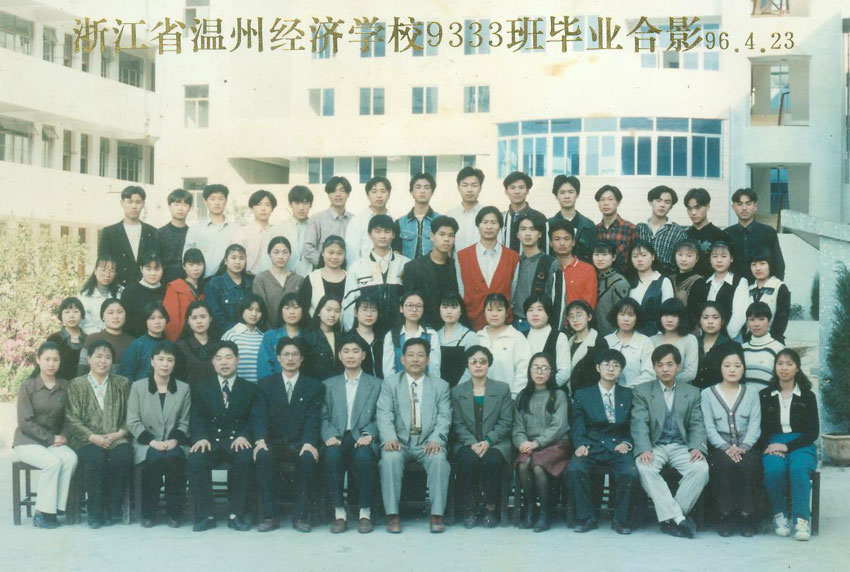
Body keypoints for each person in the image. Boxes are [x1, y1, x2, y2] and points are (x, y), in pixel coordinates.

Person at [631, 345, 709, 539]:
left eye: (670, 364)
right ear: (654, 367)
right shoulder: (642, 390)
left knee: (701, 469)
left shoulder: (692, 392)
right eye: (660, 365)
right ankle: (679, 519)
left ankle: (670, 519)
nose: (665, 369)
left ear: (678, 366)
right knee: (644, 467)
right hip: (655, 445)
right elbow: (639, 423)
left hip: (681, 445)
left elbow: (697, 423)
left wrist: (696, 447)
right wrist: (644, 448)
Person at [377, 338, 452, 534]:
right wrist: (390, 438)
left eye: (420, 355)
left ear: (427, 359)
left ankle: (436, 515)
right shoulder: (391, 383)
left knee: (439, 460)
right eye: (410, 355)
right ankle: (392, 515)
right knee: (389, 459)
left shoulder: (440, 385)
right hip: (399, 442)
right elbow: (384, 414)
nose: (415, 359)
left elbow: (444, 417)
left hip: (427, 442)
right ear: (402, 359)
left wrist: (436, 439)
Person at [253, 337, 324, 533]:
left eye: (295, 354)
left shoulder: (313, 386)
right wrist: (260, 440)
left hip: (300, 442)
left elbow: (313, 417)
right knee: (262, 455)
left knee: (308, 457)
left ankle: (301, 516)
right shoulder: (265, 385)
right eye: (286, 354)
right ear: (278, 358)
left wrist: (309, 442)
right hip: (273, 442)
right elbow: (260, 415)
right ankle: (270, 516)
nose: (290, 359)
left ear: (302, 358)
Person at [567, 349, 639, 535]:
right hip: (592, 444)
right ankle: (586, 518)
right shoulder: (583, 395)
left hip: (618, 445)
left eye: (616, 365)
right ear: (598, 368)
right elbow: (577, 425)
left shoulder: (629, 394)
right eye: (606, 364)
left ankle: (621, 520)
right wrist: (580, 445)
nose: (611, 369)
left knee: (630, 472)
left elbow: (634, 425)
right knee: (575, 469)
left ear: (621, 370)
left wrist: (627, 443)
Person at [187, 341, 256, 532]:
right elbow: (196, 417)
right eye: (218, 358)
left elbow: (255, 418)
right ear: (213, 362)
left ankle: (237, 515)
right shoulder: (202, 387)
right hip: (211, 441)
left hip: (237, 441)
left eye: (228, 357)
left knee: (245, 457)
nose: (224, 362)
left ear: (237, 360)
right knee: (196, 458)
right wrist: (201, 437)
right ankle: (205, 515)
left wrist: (245, 435)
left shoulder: (250, 388)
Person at [64, 340, 132, 528]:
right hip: (86, 439)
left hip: (115, 438)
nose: (103, 361)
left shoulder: (122, 383)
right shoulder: (76, 384)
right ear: (89, 359)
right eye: (99, 356)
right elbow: (71, 418)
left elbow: (131, 414)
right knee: (95, 459)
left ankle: (111, 508)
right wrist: (92, 437)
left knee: (123, 456)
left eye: (108, 357)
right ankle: (95, 512)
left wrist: (119, 434)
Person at [321, 334, 382, 534]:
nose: (350, 356)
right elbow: (323, 416)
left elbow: (381, 416)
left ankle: (365, 513)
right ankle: (339, 513)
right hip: (337, 436)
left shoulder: (376, 384)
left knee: (365, 457)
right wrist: (329, 435)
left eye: (355, 351)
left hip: (362, 436)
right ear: (339, 355)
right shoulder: (328, 385)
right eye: (346, 351)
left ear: (363, 355)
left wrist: (370, 434)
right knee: (331, 456)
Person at [12, 342, 78, 528]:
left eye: (55, 359)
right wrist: (50, 439)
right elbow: (25, 422)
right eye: (47, 359)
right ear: (38, 360)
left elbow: (70, 417)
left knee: (71, 458)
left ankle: (55, 508)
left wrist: (64, 436)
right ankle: (41, 513)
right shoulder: (28, 386)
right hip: (27, 441)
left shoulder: (65, 386)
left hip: (53, 441)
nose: (51, 364)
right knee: (52, 462)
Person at [126, 341, 191, 528]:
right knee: (154, 458)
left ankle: (174, 512)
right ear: (152, 361)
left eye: (170, 360)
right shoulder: (138, 387)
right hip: (145, 443)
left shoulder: (183, 389)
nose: (165, 364)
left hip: (174, 442)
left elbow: (184, 421)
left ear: (175, 363)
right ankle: (148, 513)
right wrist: (152, 442)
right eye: (160, 359)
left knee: (175, 457)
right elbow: (132, 421)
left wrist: (174, 440)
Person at [700, 345, 762, 537]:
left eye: (737, 365)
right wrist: (727, 447)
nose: (732, 370)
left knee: (748, 465)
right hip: (720, 447)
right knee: (724, 466)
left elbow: (755, 424)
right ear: (720, 368)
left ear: (743, 369)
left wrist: (743, 447)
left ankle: (746, 516)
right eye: (727, 365)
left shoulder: (751, 393)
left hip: (746, 447)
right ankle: (724, 516)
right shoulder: (707, 394)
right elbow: (708, 428)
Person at [758, 348, 819, 541]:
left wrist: (786, 447)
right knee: (774, 469)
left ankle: (801, 519)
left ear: (797, 368)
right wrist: (769, 446)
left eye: (789, 364)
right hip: (773, 442)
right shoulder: (765, 395)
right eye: (780, 364)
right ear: (775, 367)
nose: (784, 368)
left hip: (801, 443)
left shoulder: (807, 396)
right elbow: (760, 428)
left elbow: (812, 432)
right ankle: (780, 515)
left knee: (798, 469)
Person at [451, 345, 513, 528]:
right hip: (466, 443)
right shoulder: (457, 391)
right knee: (468, 461)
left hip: (495, 442)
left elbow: (506, 421)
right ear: (467, 365)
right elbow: (457, 424)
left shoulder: (502, 389)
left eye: (482, 361)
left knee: (491, 461)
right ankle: (469, 509)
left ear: (489, 364)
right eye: (473, 362)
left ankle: (490, 508)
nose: (478, 365)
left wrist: (488, 441)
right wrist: (472, 443)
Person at [513, 353, 570, 532]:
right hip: (530, 444)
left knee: (538, 466)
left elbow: (559, 426)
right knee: (523, 464)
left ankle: (544, 513)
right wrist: (522, 442)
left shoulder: (558, 395)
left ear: (551, 372)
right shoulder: (523, 396)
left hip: (556, 444)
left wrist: (536, 443)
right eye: (536, 367)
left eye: (545, 368)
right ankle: (531, 508)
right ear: (529, 370)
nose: (540, 372)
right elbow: (518, 427)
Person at [456, 207, 520, 330]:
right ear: (478, 226)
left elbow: (513, 292)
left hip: (503, 326)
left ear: (500, 227)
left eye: (494, 222)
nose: (489, 227)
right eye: (485, 222)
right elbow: (461, 290)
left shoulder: (512, 257)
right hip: (471, 325)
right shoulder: (462, 256)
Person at [342, 214, 408, 332]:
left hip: (397, 331)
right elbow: (350, 303)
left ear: (393, 235)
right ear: (369, 234)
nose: (382, 236)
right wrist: (350, 332)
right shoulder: (357, 267)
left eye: (387, 231)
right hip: (367, 332)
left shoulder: (405, 264)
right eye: (377, 231)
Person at [402, 215, 461, 330]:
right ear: (432, 236)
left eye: (451, 235)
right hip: (424, 329)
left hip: (451, 328)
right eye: (442, 234)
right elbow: (409, 304)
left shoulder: (457, 266)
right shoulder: (413, 267)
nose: (446, 239)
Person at [472, 293, 531, 398]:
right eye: (490, 310)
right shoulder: (477, 337)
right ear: (484, 313)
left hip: (507, 398)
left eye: (499, 310)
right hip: (479, 397)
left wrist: (514, 395)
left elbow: (523, 370)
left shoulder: (516, 337)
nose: (494, 314)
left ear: (506, 313)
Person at [98, 185, 158, 288]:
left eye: (138, 202)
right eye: (130, 202)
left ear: (143, 204)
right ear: (122, 203)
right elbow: (103, 263)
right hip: (118, 288)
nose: (134, 206)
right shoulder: (110, 232)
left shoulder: (152, 232)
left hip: (145, 288)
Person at [689, 241, 749, 341]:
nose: (719, 260)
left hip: (731, 338)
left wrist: (724, 337)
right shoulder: (706, 282)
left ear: (731, 258)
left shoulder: (739, 282)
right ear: (710, 259)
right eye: (715, 256)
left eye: (724, 256)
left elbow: (740, 315)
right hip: (707, 338)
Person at [509, 211, 557, 333]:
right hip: (516, 321)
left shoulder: (550, 263)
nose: (528, 233)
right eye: (523, 229)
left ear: (539, 234)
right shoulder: (515, 261)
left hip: (540, 323)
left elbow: (555, 298)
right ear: (518, 234)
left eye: (532, 229)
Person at [726, 188, 785, 282]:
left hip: (762, 287)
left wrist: (772, 287)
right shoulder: (726, 234)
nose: (744, 208)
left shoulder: (768, 232)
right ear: (733, 207)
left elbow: (778, 265)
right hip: (734, 288)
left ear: (755, 206)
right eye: (740, 204)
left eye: (748, 204)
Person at [549, 218, 597, 329]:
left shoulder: (587, 270)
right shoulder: (548, 268)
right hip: (550, 327)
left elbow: (588, 305)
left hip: (577, 328)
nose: (562, 243)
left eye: (566, 239)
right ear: (551, 243)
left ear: (573, 242)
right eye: (557, 239)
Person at [383, 291, 442, 378]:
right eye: (410, 305)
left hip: (426, 384)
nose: (414, 310)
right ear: (401, 308)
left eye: (419, 306)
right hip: (398, 384)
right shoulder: (392, 335)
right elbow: (388, 371)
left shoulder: (431, 334)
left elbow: (434, 368)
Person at [183, 184, 236, 280]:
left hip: (230, 281)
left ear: (226, 201)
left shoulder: (236, 229)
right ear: (205, 201)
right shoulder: (195, 229)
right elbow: (186, 257)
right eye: (212, 199)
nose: (217, 203)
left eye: (221, 199)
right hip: (203, 281)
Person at [252, 237, 305, 330]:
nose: (280, 256)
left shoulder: (299, 280)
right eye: (276, 252)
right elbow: (259, 308)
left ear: (290, 254)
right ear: (269, 254)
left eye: (285, 252)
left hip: (294, 333)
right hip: (267, 332)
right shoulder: (261, 279)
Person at [636, 185, 688, 275]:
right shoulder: (639, 228)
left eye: (667, 202)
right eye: (658, 201)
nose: (662, 205)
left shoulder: (677, 231)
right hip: (639, 277)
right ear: (651, 202)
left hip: (667, 277)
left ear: (671, 206)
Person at [603, 298, 655, 388]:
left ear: (637, 318)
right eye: (622, 314)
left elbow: (650, 374)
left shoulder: (645, 342)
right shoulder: (606, 341)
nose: (626, 319)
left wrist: (627, 390)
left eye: (631, 315)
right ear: (616, 316)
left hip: (637, 393)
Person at [626, 240, 674, 337]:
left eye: (643, 255)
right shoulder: (628, 282)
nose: (639, 259)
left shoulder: (663, 282)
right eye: (635, 256)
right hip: (630, 334)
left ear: (653, 257)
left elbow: (669, 312)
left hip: (655, 335)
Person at [303, 176, 353, 267]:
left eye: (342, 190)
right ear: (328, 194)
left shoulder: (354, 220)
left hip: (350, 270)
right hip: (324, 271)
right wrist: (328, 265)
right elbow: (308, 249)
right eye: (333, 191)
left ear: (348, 194)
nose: (338, 194)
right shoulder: (316, 219)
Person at [204, 243, 254, 336]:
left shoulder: (251, 284)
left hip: (248, 335)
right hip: (223, 335)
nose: (238, 262)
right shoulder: (215, 283)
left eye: (241, 258)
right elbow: (215, 314)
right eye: (233, 258)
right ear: (225, 261)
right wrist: (235, 331)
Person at [524, 293, 571, 389]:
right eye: (530, 310)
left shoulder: (559, 337)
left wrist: (543, 389)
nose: (535, 314)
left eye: (540, 309)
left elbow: (564, 372)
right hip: (525, 391)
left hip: (551, 391)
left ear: (548, 313)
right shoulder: (521, 337)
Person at [694, 302, 742, 390]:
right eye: (705, 317)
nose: (710, 322)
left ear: (722, 321)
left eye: (715, 317)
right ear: (699, 320)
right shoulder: (693, 343)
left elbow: (739, 381)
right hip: (693, 396)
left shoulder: (732, 347)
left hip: (721, 396)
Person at [257, 293, 306, 379]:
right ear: (281, 311)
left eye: (296, 307)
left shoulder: (309, 336)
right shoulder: (270, 336)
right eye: (287, 308)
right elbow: (264, 368)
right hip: (274, 385)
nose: (292, 312)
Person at [345, 175, 392, 264]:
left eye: (383, 191)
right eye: (374, 191)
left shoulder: (394, 220)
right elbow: (352, 254)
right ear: (367, 195)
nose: (379, 195)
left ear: (389, 194)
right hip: (364, 270)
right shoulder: (357, 221)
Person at [548, 175, 597, 263]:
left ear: (577, 194)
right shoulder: (548, 225)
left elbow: (593, 257)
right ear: (556, 196)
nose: (567, 196)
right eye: (562, 192)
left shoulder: (589, 226)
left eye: (571, 192)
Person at [79, 299, 134, 374]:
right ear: (103, 317)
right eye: (110, 313)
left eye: (119, 312)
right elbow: (82, 369)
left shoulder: (133, 342)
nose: (115, 316)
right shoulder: (92, 339)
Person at [683, 188, 729, 277]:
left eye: (697, 207)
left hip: (713, 282)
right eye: (689, 208)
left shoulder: (720, 235)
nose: (693, 212)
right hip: (688, 282)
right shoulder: (684, 235)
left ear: (707, 206)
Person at [565, 300, 609, 394]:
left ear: (589, 317)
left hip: (589, 395)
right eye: (571, 316)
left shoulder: (599, 342)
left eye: (579, 315)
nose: (575, 320)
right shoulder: (567, 342)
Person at [651, 299, 698, 385]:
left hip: (682, 389)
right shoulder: (651, 340)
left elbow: (691, 373)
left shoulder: (690, 340)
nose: (669, 320)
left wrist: (668, 383)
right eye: (665, 315)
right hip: (653, 389)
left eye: (674, 316)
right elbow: (648, 370)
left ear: (681, 318)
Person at [163, 248, 206, 341]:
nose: (196, 269)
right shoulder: (175, 287)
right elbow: (171, 322)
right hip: (181, 340)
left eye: (199, 264)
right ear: (184, 266)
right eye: (191, 264)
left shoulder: (206, 288)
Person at [748, 249, 791, 343]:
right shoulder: (749, 288)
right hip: (750, 341)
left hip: (772, 341)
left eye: (762, 264)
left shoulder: (779, 287)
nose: (758, 268)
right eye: (753, 264)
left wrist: (772, 340)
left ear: (770, 265)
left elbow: (781, 321)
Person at [221, 294, 266, 383]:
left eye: (258, 310)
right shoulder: (231, 335)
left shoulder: (263, 337)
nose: (254, 314)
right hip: (237, 388)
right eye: (250, 309)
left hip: (260, 388)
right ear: (242, 309)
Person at [298, 235, 347, 317]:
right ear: (323, 253)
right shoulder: (312, 279)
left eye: (339, 253)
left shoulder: (350, 279)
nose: (335, 257)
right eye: (331, 252)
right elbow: (303, 310)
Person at [394, 172, 440, 259]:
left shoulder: (440, 220)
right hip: (407, 267)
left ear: (432, 192)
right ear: (411, 192)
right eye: (418, 187)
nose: (422, 191)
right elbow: (396, 252)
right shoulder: (400, 223)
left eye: (426, 187)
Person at [271, 185, 314, 277]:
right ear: (290, 204)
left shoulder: (316, 228)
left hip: (310, 278)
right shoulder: (279, 228)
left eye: (305, 203)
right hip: (285, 278)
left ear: (310, 204)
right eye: (297, 203)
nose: (301, 208)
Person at [436, 292, 477, 387]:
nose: (449, 311)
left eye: (454, 307)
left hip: (462, 389)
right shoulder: (435, 336)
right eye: (445, 307)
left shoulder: (470, 336)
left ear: (461, 311)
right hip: (438, 389)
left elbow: (472, 367)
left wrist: (458, 390)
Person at [120, 302, 169, 382]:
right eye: (152, 318)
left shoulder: (171, 345)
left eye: (161, 317)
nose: (157, 322)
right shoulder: (137, 345)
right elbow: (126, 373)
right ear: (145, 321)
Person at [595, 185, 638, 276]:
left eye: (610, 199)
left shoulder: (630, 229)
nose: (606, 203)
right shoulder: (594, 230)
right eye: (602, 200)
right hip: (598, 280)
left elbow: (636, 259)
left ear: (618, 202)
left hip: (624, 280)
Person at [232, 189, 277, 275]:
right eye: (259, 204)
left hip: (271, 279)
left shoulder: (275, 233)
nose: (263, 209)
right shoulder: (242, 233)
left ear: (272, 209)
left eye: (267, 205)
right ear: (251, 208)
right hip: (247, 278)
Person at [742, 302, 785, 389]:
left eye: (761, 319)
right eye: (752, 319)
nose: (756, 324)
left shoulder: (778, 348)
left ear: (769, 321)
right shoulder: (742, 348)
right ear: (747, 322)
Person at [122, 252, 166, 338]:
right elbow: (126, 324)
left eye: (157, 269)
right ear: (141, 269)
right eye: (148, 269)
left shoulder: (167, 290)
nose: (153, 273)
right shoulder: (129, 292)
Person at [499, 171, 546, 252]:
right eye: (512, 188)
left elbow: (545, 248)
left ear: (527, 191)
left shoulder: (539, 217)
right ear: (506, 191)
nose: (517, 192)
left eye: (521, 187)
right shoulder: (500, 218)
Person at [301, 295, 344, 381]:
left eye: (337, 311)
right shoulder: (308, 338)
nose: (332, 315)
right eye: (328, 310)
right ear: (319, 312)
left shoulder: (342, 338)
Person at [174, 300, 218, 385]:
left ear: (210, 318)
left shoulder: (218, 345)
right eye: (194, 318)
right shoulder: (180, 347)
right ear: (188, 321)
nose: (199, 321)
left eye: (203, 317)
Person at [592, 240, 629, 337]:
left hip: (612, 337)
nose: (600, 259)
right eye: (596, 254)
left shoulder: (619, 282)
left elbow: (623, 315)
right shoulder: (591, 278)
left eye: (604, 255)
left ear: (614, 257)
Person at [78, 255, 123, 335]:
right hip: (94, 338)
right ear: (95, 271)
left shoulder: (121, 292)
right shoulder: (84, 296)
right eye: (103, 270)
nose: (107, 275)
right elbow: (85, 324)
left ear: (115, 274)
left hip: (118, 336)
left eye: (112, 271)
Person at [157, 188, 193, 284]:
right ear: (169, 206)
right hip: (164, 284)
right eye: (176, 204)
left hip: (187, 284)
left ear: (189, 208)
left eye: (184, 205)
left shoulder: (192, 234)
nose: (180, 209)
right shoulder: (159, 233)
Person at [46, 297, 87, 382]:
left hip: (84, 386)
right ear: (61, 315)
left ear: (82, 314)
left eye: (76, 312)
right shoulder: (54, 339)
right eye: (67, 312)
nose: (71, 316)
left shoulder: (89, 340)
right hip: (59, 385)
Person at [447, 166, 484, 251]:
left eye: (474, 185)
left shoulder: (488, 216)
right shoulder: (450, 216)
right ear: (458, 188)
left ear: (480, 188)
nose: (469, 190)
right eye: (465, 185)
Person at [350, 295, 384, 379]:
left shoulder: (383, 338)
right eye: (364, 310)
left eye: (373, 310)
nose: (369, 314)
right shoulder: (349, 338)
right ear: (356, 312)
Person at [671, 240, 704, 311]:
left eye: (689, 256)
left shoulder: (698, 281)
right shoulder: (670, 278)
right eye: (680, 255)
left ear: (697, 258)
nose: (683, 259)